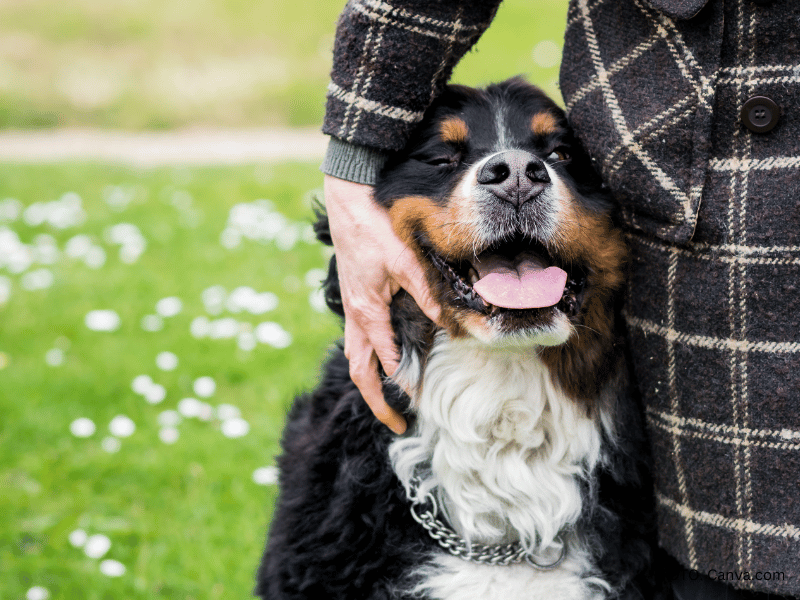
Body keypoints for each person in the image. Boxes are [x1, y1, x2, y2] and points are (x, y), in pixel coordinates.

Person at [319, 1, 800, 598]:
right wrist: (351, 162)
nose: (516, 171)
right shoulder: (326, 508)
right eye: (444, 160)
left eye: (559, 158)